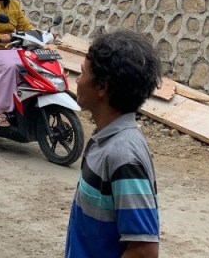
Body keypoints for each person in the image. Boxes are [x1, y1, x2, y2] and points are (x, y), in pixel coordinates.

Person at [66, 30, 161, 258]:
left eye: (82, 74)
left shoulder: (122, 155)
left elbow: (144, 250)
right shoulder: (104, 139)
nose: (77, 81)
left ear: (102, 87)